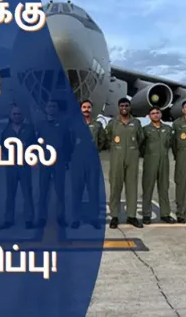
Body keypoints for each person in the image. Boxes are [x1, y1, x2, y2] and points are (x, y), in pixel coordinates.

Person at [106, 97, 144, 229]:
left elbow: (140, 138)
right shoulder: (113, 123)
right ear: (118, 107)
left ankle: (131, 216)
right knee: (115, 186)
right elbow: (107, 138)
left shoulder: (136, 122)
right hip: (117, 157)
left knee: (132, 186)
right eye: (122, 105)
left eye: (126, 105)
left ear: (129, 107)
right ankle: (114, 216)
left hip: (132, 157)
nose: (124, 108)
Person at [36, 99, 73, 228]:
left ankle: (60, 217)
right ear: (45, 109)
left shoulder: (63, 125)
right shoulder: (40, 125)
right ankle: (41, 217)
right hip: (44, 160)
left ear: (57, 109)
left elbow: (68, 143)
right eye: (49, 106)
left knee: (60, 190)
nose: (51, 108)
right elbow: (35, 143)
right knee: (43, 190)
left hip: (59, 160)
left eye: (54, 106)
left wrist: (67, 160)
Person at [0, 104, 37, 229]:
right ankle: (8, 219)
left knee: (27, 193)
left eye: (19, 114)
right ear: (11, 116)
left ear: (22, 116)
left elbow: (34, 145)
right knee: (10, 193)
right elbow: (2, 147)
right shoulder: (6, 131)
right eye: (14, 114)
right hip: (11, 166)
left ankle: (29, 219)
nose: (17, 116)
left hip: (25, 166)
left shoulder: (29, 129)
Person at [70, 100, 105, 229]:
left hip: (92, 163)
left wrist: (95, 150)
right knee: (77, 191)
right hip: (77, 162)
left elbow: (102, 141)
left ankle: (94, 218)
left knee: (93, 190)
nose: (86, 109)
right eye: (84, 107)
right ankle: (76, 218)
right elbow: (69, 141)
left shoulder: (97, 125)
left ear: (91, 109)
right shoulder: (74, 125)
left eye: (88, 107)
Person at [140, 106, 176, 224]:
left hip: (164, 161)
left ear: (161, 114)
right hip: (150, 161)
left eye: (157, 112)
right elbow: (141, 145)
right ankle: (146, 214)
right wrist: (147, 154)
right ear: (149, 116)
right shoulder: (145, 129)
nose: (155, 115)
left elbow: (170, 143)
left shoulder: (167, 129)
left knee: (164, 187)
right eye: (153, 113)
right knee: (148, 188)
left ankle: (165, 214)